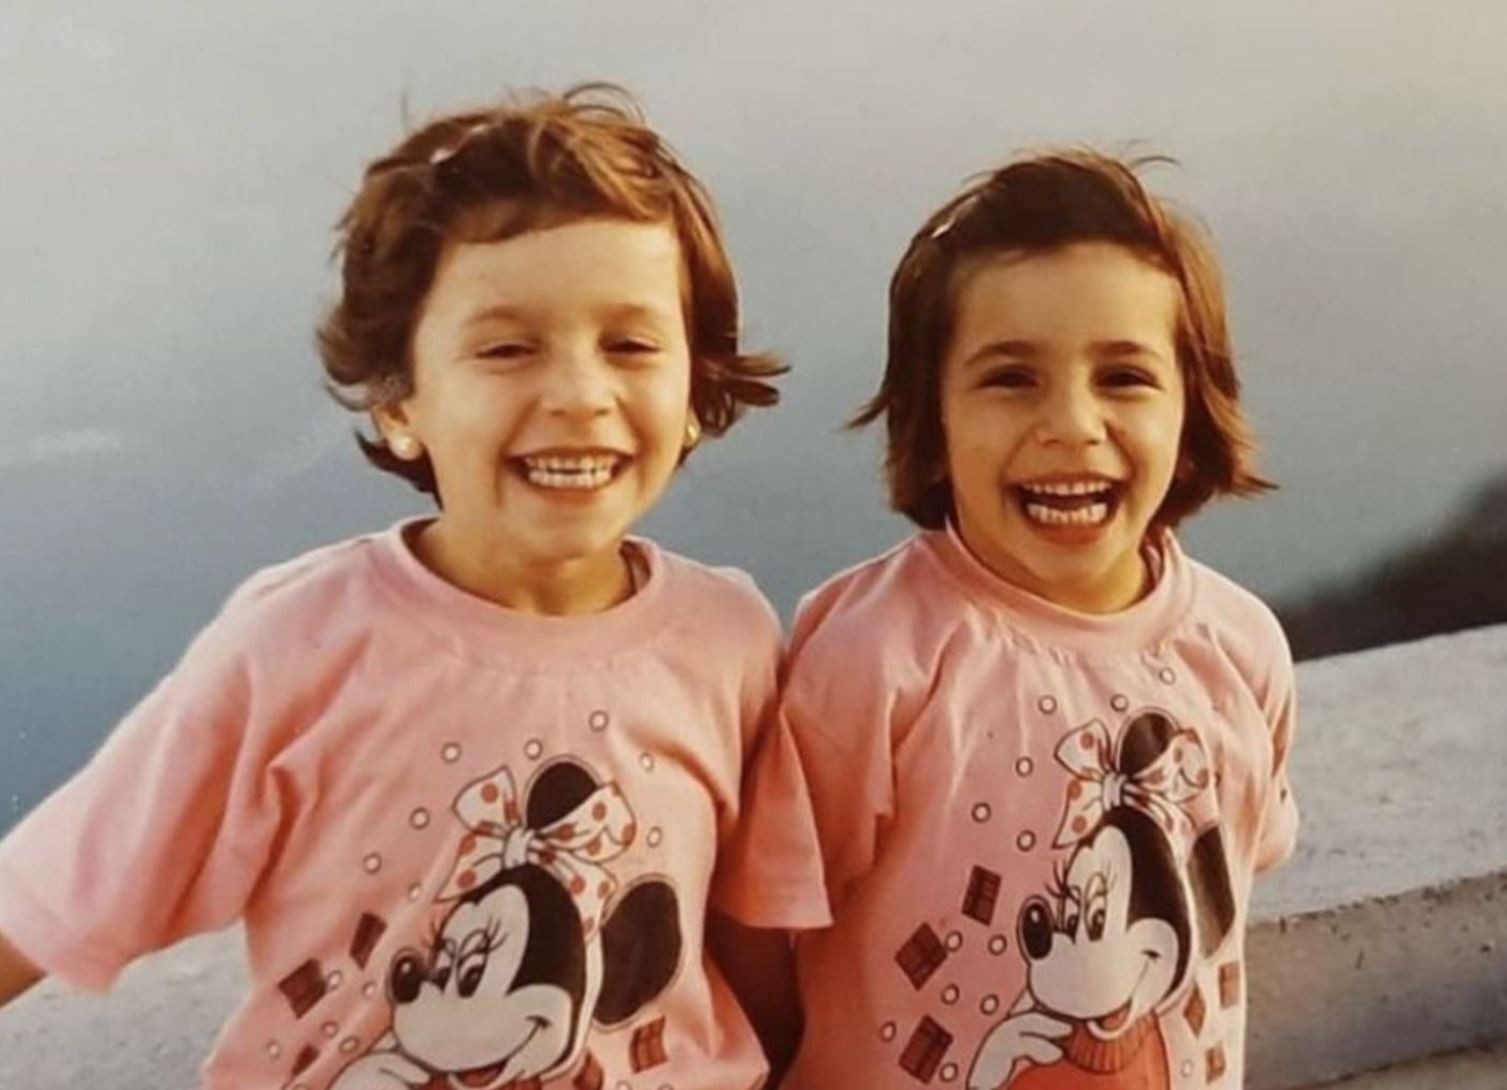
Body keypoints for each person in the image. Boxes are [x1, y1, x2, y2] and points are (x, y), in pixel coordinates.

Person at [0, 85, 826, 1090]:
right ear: (399, 403)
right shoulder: (300, 642)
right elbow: (45, 900)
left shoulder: (728, 638)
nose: (579, 393)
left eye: (630, 345)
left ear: (695, 390)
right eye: (507, 348)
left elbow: (747, 933)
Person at [780, 151, 1299, 1090]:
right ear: (933, 418)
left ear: (1192, 409)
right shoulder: (872, 660)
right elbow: (760, 937)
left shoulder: (1239, 646)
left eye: (1124, 377)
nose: (1070, 423)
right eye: (1011, 378)